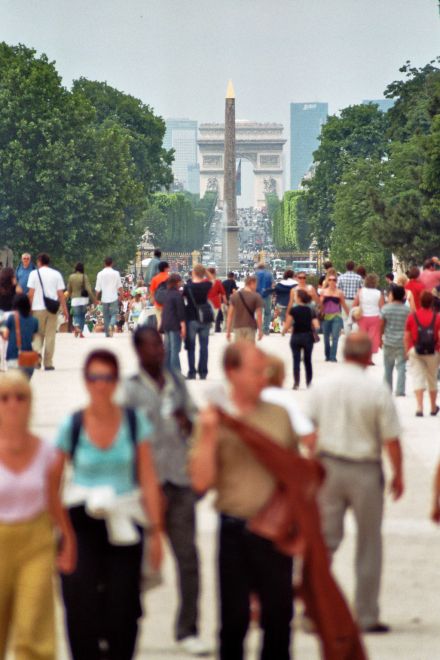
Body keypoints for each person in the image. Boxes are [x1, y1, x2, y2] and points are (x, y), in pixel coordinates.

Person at [189, 342, 298, 660]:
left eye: (266, 371)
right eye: (256, 371)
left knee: (279, 622)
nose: (264, 378)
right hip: (234, 531)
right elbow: (200, 482)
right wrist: (209, 434)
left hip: (276, 533)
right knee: (233, 623)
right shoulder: (213, 420)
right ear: (231, 373)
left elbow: (295, 476)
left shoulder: (280, 416)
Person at [52, 349, 163, 660]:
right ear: (86, 381)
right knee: (79, 606)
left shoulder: (133, 422)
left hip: (125, 520)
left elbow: (148, 479)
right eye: (94, 377)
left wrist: (156, 533)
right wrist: (64, 534)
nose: (100, 385)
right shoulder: (72, 425)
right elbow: (53, 481)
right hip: (81, 523)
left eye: (107, 378)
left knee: (124, 609)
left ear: (116, 382)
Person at [306, 332, 404, 633]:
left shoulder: (321, 387)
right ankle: (366, 614)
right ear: (367, 355)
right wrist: (399, 473)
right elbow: (390, 439)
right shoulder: (376, 390)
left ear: (344, 351)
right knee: (369, 543)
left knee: (323, 542)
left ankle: (312, 611)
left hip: (328, 467)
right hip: (364, 470)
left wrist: (314, 460)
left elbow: (308, 432)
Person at [121, 327, 209, 656]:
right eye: (152, 346)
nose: (159, 351)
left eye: (160, 345)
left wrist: (188, 423)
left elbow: (197, 417)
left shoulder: (176, 382)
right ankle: (126, 622)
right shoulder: (129, 392)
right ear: (138, 352)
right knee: (132, 562)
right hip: (144, 487)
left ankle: (188, 628)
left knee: (188, 558)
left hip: (179, 482)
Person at [0, 370, 75, 660]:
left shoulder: (47, 452)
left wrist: (68, 538)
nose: (13, 404)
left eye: (21, 397)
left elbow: (55, 500)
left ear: (30, 404)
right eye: (4, 398)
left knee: (34, 629)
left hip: (36, 544)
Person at [261, 355, 316, 452]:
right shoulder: (286, 399)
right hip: (282, 454)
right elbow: (307, 435)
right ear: (282, 376)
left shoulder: (255, 396)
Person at [27, 253, 69, 371]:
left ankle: (37, 356)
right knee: (51, 336)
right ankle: (48, 363)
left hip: (37, 308)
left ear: (39, 261)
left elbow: (31, 294)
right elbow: (60, 294)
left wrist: (29, 309)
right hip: (52, 309)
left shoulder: (33, 274)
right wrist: (65, 310)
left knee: (37, 334)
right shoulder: (56, 274)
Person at [404, 290, 440, 416]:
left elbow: (407, 336)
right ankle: (433, 407)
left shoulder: (412, 317)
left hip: (416, 349)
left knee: (418, 378)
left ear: (420, 301)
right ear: (432, 303)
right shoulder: (437, 317)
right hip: (433, 351)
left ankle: (419, 407)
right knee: (432, 379)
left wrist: (407, 351)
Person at [283, 290, 319, 389]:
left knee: (296, 360)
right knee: (308, 360)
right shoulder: (311, 310)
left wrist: (284, 330)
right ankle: (308, 382)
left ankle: (296, 383)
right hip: (308, 337)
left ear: (298, 298)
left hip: (296, 336)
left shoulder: (293, 310)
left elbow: (287, 325)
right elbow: (316, 325)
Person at [183, 264, 212, 380]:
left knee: (191, 346)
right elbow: (212, 280)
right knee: (204, 346)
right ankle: (203, 372)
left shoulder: (188, 287)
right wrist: (205, 271)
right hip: (204, 318)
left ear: (193, 273)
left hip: (191, 318)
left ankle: (192, 372)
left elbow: (183, 301)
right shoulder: (206, 285)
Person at [381, 285, 410, 397]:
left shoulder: (386, 309)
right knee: (402, 366)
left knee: (388, 367)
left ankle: (387, 389)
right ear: (403, 296)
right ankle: (400, 390)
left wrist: (380, 338)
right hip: (402, 342)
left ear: (392, 295)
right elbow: (410, 328)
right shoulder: (407, 311)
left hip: (389, 341)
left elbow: (382, 325)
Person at [3, 294, 39, 379]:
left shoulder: (11, 318)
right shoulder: (35, 321)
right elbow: (34, 339)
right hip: (29, 359)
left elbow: (5, 336)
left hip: (14, 357)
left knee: (15, 388)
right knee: (23, 387)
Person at [353, 273, 384, 360]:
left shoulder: (361, 292)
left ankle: (362, 355)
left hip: (362, 317)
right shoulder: (379, 293)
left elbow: (355, 304)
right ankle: (369, 358)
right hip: (375, 317)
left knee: (363, 337)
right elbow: (382, 307)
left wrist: (354, 314)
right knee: (372, 338)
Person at [320, 274, 349, 362]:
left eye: (334, 280)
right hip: (326, 316)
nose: (332, 282)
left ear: (336, 282)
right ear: (327, 281)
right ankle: (327, 355)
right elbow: (320, 304)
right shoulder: (323, 292)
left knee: (335, 337)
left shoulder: (339, 292)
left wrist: (349, 315)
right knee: (326, 337)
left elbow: (343, 305)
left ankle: (333, 356)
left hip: (336, 316)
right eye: (330, 280)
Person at [161, 273, 186, 374]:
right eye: (180, 281)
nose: (181, 283)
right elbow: (180, 312)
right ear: (176, 282)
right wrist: (183, 326)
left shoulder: (166, 294)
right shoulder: (177, 295)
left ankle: (166, 371)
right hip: (175, 324)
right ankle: (176, 373)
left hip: (166, 324)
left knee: (167, 349)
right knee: (175, 350)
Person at [226, 274, 263, 343]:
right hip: (250, 327)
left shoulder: (235, 296)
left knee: (239, 351)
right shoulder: (256, 296)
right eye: (255, 284)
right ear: (251, 283)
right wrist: (260, 330)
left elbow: (230, 315)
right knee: (249, 351)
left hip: (237, 326)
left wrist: (228, 331)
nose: (256, 287)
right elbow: (259, 315)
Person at [95, 257, 123, 338]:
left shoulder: (100, 274)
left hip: (104, 298)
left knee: (106, 316)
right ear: (112, 263)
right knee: (114, 314)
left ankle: (107, 333)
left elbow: (97, 289)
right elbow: (120, 286)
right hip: (114, 297)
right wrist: (121, 295)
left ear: (104, 263)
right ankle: (111, 325)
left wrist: (95, 299)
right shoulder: (116, 273)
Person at [67, 262, 95, 337]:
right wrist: (93, 299)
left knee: (76, 315)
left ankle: (77, 327)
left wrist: (67, 298)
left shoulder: (71, 277)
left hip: (75, 300)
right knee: (82, 315)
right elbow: (88, 289)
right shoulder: (84, 276)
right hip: (83, 300)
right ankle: (81, 332)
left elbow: (69, 290)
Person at [337, 261, 363, 334]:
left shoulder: (341, 277)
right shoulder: (358, 277)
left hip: (344, 301)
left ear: (346, 267)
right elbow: (362, 289)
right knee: (355, 319)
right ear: (354, 267)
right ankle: (354, 335)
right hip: (355, 301)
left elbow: (337, 289)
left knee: (345, 319)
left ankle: (348, 337)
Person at [150, 261, 170, 326]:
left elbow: (152, 292)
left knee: (159, 321)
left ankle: (160, 335)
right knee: (168, 321)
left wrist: (153, 301)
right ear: (166, 268)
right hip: (168, 303)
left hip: (158, 303)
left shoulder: (155, 279)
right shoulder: (170, 278)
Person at [255, 262, 273, 335]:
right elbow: (272, 284)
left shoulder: (256, 274)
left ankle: (259, 329)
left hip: (258, 295)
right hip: (267, 295)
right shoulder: (269, 274)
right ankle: (266, 329)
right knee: (267, 313)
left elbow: (254, 284)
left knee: (258, 313)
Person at [207, 267, 227, 333]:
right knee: (214, 317)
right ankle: (212, 328)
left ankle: (208, 328)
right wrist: (225, 302)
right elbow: (223, 293)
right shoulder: (218, 282)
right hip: (215, 303)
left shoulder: (204, 281)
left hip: (206, 302)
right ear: (214, 273)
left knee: (207, 316)